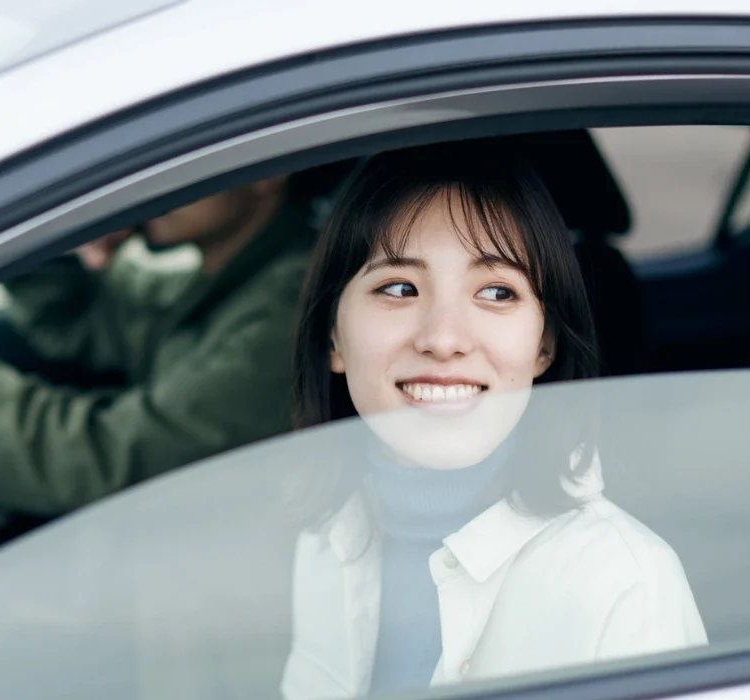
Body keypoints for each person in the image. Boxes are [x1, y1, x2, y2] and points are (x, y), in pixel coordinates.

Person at [279, 139, 706, 699]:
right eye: (399, 288)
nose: (444, 339)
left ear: (544, 345)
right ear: (333, 336)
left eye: (497, 292)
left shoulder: (622, 584)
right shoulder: (325, 538)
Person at [0, 175, 318, 516]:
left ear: (266, 176)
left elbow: (100, 460)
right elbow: (78, 320)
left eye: (183, 156)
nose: (150, 179)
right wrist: (75, 236)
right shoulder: (234, 285)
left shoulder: (286, 312)